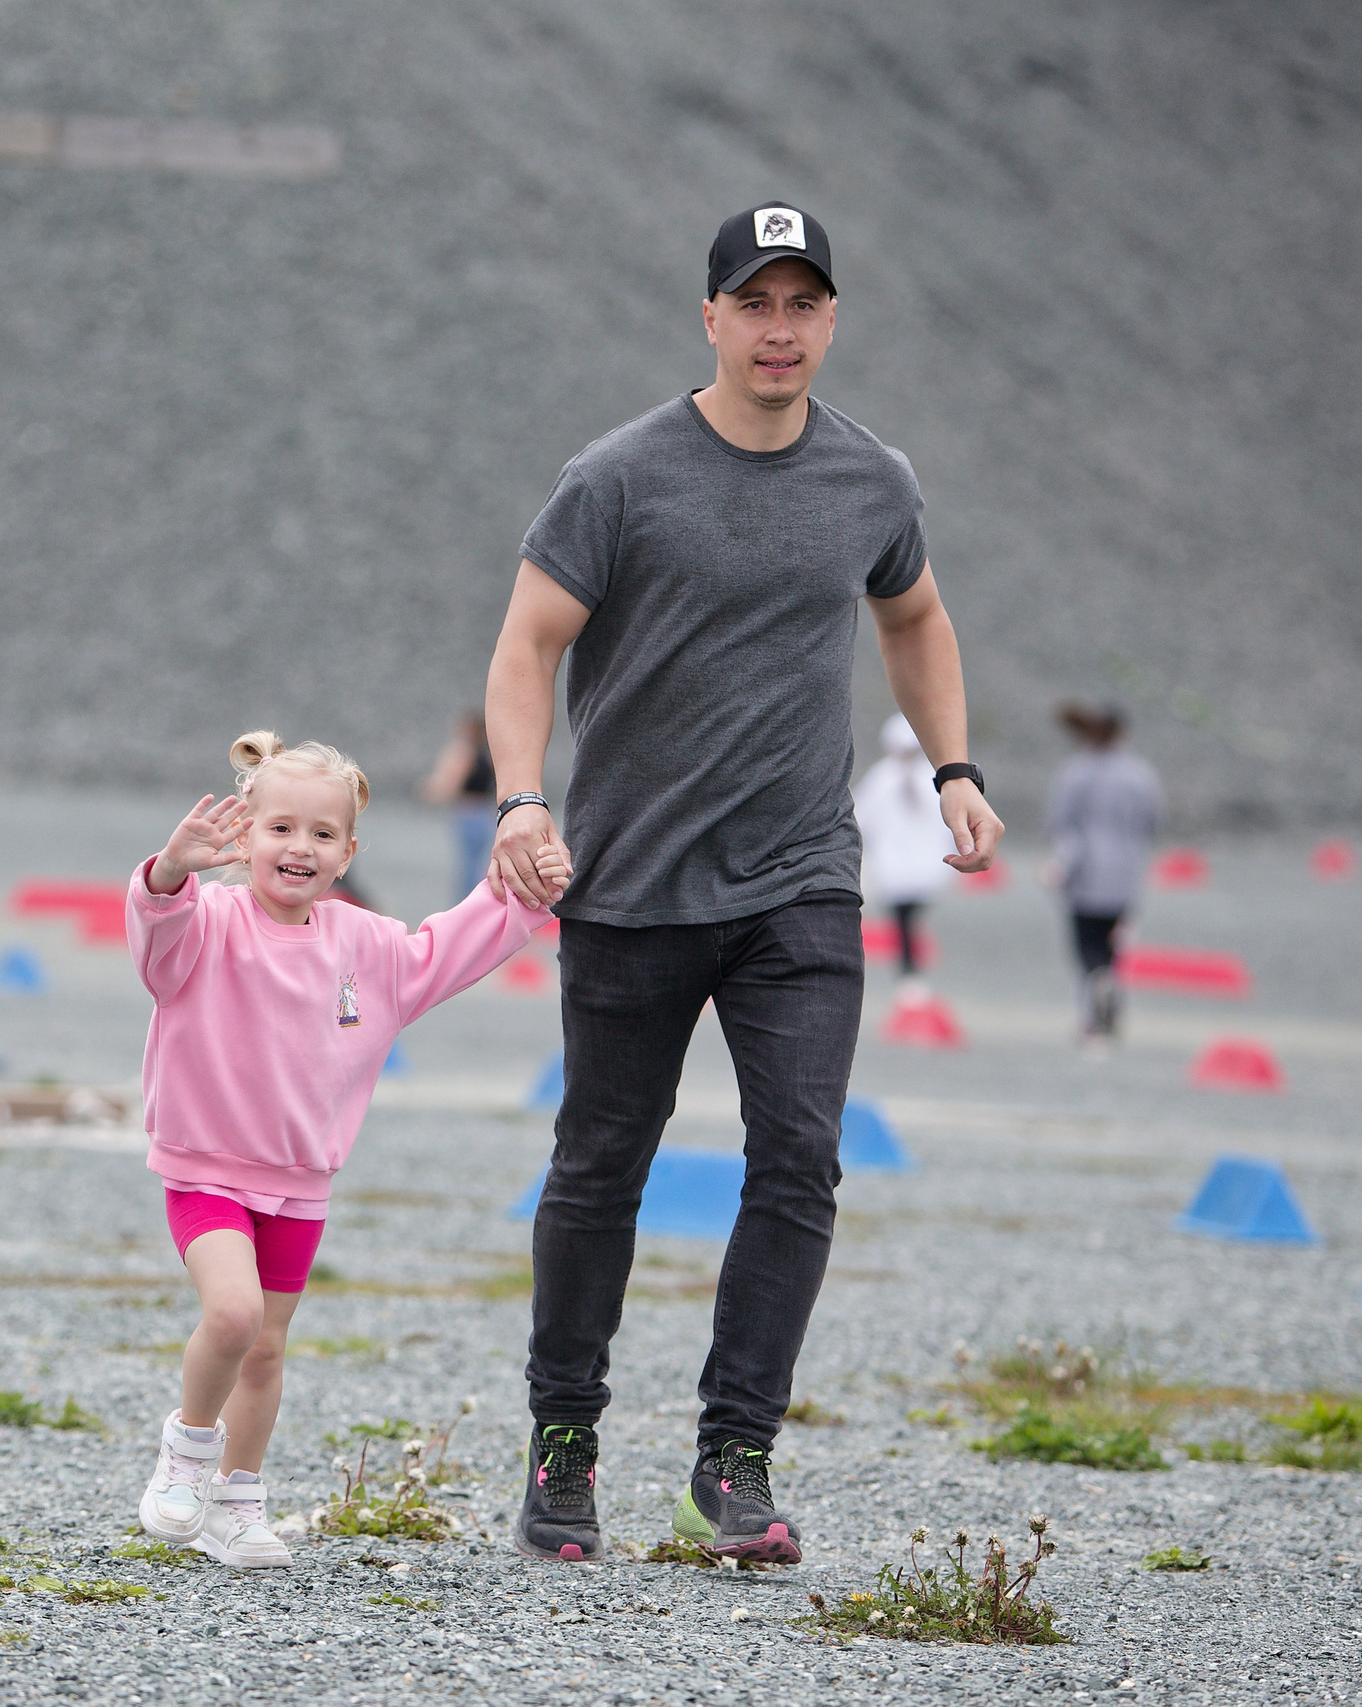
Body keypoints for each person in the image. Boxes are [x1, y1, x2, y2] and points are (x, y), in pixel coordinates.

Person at [480, 202, 1003, 1567]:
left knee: (799, 1156)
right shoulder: (618, 476)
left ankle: (734, 1458)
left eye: (804, 304)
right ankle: (565, 1440)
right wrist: (524, 797)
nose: (781, 330)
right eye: (755, 303)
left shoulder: (871, 480)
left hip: (800, 880)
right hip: (633, 878)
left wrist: (952, 764)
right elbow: (528, 645)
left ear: (831, 318)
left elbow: (917, 613)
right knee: (603, 1164)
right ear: (708, 317)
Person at [125, 731, 565, 1568]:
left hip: (301, 1181)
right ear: (244, 831)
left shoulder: (364, 944)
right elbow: (154, 935)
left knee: (265, 1349)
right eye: (281, 828)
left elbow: (451, 947)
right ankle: (185, 1454)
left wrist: (524, 891)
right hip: (206, 1167)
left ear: (348, 851)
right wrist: (169, 872)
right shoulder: (205, 920)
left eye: (322, 835)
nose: (300, 848)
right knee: (232, 1314)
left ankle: (237, 1500)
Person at [1042, 702, 1160, 1045]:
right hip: (1126, 873)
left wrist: (1058, 866)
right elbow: (1154, 821)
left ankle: (1092, 1008)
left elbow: (1060, 821)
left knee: (1086, 946)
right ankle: (1109, 996)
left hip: (1086, 871)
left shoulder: (1077, 772)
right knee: (1113, 944)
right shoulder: (1141, 775)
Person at [852, 715, 952, 990]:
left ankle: (909, 970)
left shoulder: (915, 778)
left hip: (918, 862)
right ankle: (909, 971)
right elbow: (862, 815)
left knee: (908, 916)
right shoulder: (888, 778)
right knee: (904, 916)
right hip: (897, 862)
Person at [418, 708, 501, 903]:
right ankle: (478, 906)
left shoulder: (465, 752)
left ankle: (468, 908)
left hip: (468, 813)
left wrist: (429, 793)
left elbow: (450, 782)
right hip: (486, 814)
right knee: (478, 865)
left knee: (468, 868)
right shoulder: (487, 753)